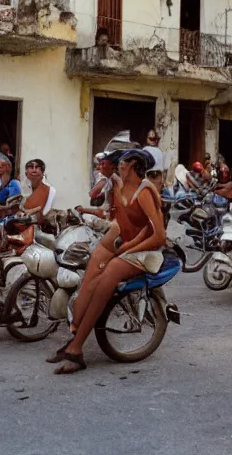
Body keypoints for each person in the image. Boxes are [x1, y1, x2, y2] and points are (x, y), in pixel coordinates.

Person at [50, 149, 165, 374]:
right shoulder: (117, 186)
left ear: (132, 164)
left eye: (121, 162)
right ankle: (73, 339)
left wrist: (126, 249)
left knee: (104, 281)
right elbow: (115, 219)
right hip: (126, 244)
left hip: (144, 252)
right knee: (87, 286)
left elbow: (158, 235)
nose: (116, 165)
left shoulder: (144, 191)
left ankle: (76, 350)